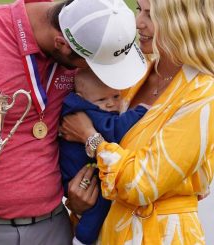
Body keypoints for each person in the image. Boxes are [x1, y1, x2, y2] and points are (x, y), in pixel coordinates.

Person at [0, 0, 147, 244]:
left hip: (55, 224)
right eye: (93, 66)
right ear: (61, 44)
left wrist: (78, 196)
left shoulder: (82, 38)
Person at [60, 0, 214, 244]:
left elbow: (141, 184)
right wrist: (80, 201)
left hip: (162, 234)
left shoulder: (206, 95)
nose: (138, 23)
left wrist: (90, 137)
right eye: (138, 9)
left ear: (185, 22)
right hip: (109, 231)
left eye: (151, 15)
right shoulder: (134, 75)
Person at [60, 68, 148, 245]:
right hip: (81, 172)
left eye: (116, 97)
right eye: (102, 99)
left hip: (78, 169)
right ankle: (82, 239)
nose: (110, 104)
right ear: (81, 96)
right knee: (101, 202)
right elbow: (113, 130)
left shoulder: (81, 105)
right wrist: (141, 111)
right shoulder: (87, 111)